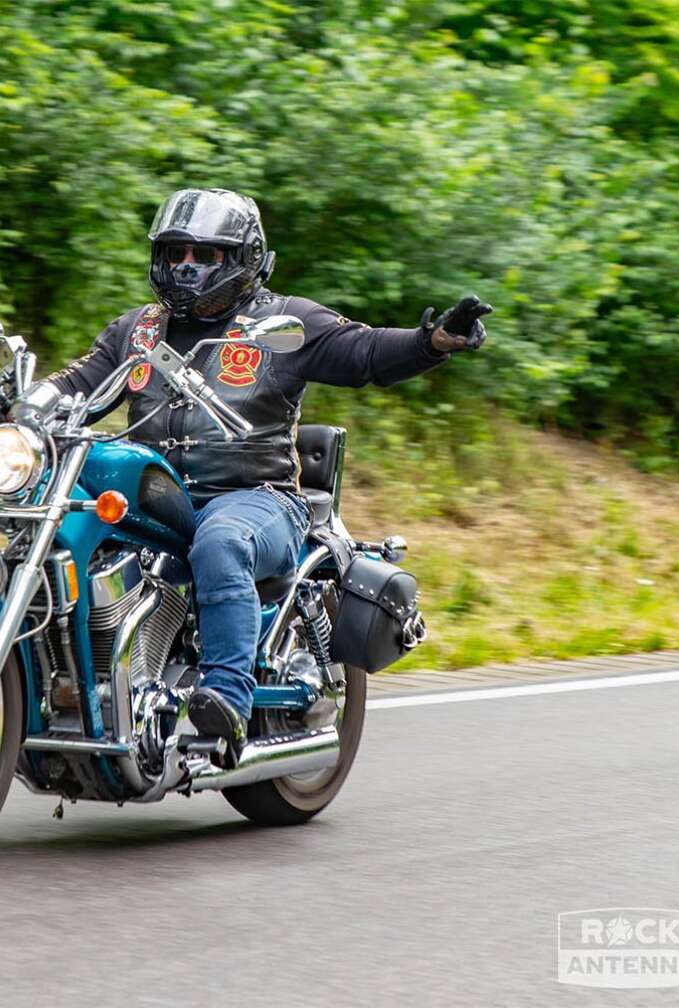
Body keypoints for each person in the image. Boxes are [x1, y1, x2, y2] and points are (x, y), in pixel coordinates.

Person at [45, 188, 490, 753]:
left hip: (255, 497)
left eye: (203, 255)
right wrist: (20, 401)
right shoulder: (137, 330)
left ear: (241, 260)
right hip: (157, 496)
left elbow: (364, 352)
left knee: (222, 541)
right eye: (177, 252)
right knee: (60, 522)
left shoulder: (285, 322)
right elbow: (76, 384)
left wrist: (431, 342)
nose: (186, 266)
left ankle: (227, 696)